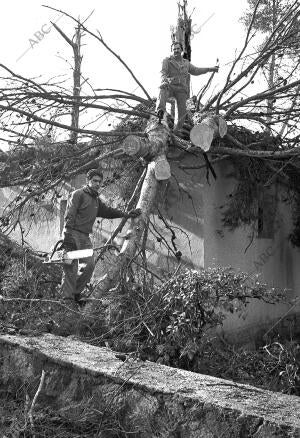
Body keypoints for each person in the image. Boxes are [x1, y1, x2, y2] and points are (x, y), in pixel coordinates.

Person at [60, 168, 141, 304]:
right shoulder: (77, 194)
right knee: (71, 267)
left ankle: (75, 293)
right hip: (71, 234)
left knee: (90, 265)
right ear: (88, 181)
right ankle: (66, 299)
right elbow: (70, 214)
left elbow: (108, 212)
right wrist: (67, 236)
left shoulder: (96, 200)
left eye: (99, 181)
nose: (97, 184)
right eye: (94, 181)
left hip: (85, 237)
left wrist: (127, 214)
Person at [156, 41, 219, 133]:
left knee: (182, 114)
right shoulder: (167, 60)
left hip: (181, 90)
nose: (176, 50)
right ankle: (160, 111)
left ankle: (176, 132)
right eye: (174, 49)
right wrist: (164, 81)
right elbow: (163, 72)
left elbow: (196, 70)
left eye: (178, 49)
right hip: (170, 86)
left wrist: (210, 69)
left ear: (181, 50)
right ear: (171, 50)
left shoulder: (186, 63)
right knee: (162, 88)